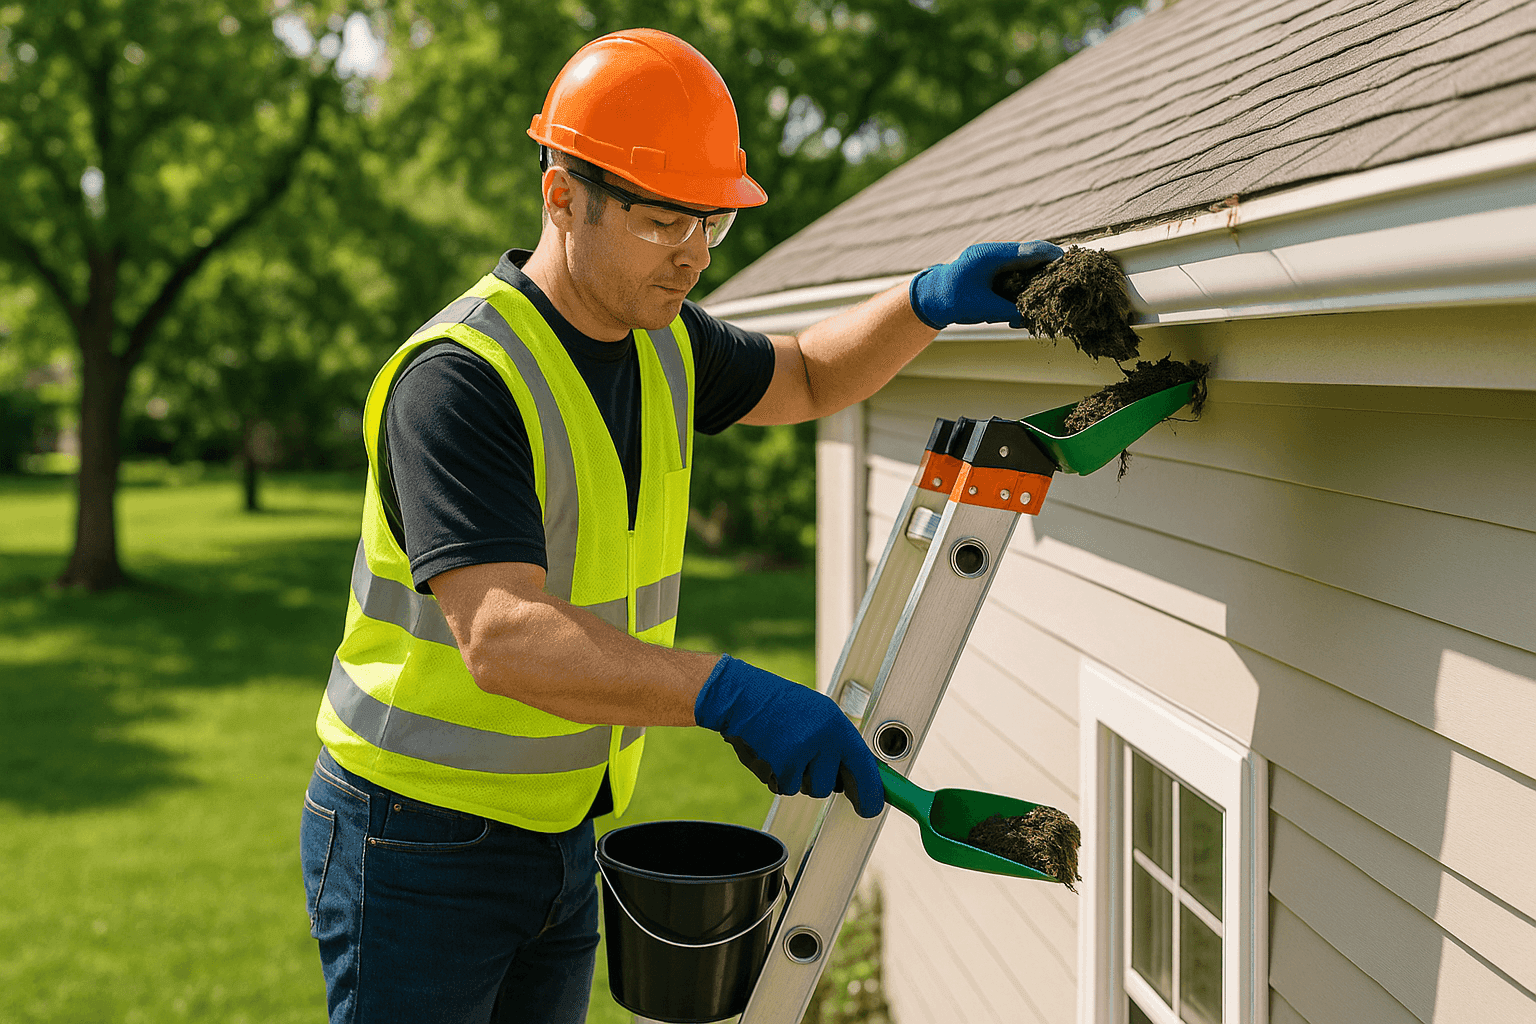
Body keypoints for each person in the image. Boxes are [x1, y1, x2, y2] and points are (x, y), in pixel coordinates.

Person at [299, 27, 1062, 1024]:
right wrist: (726, 692)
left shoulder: (663, 345)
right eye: (665, 222)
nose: (695, 255)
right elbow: (500, 636)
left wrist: (925, 301)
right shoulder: (461, 380)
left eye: (711, 224)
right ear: (563, 196)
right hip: (414, 840)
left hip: (563, 829)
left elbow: (805, 373)